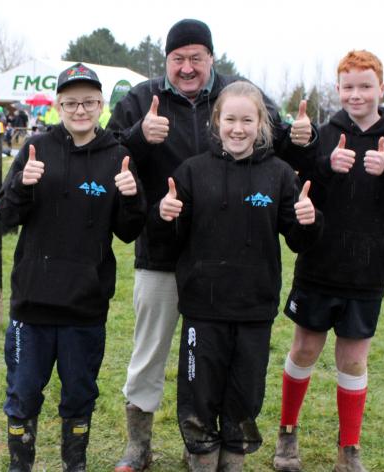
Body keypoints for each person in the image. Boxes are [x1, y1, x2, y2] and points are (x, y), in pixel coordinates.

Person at [107, 19, 315, 472]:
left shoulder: (240, 95)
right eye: (178, 59)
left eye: (195, 58)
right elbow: (110, 151)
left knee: (215, 360)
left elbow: (277, 146)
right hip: (161, 248)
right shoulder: (142, 98)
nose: (186, 67)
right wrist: (141, 137)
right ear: (166, 60)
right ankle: (138, 443)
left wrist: (306, 139)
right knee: (150, 352)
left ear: (211, 59)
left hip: (231, 267)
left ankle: (201, 443)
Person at [149, 81, 321, 471]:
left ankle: (233, 460)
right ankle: (202, 457)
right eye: (230, 119)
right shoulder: (192, 171)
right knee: (199, 391)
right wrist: (164, 216)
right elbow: (167, 238)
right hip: (202, 307)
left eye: (247, 120)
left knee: (245, 392)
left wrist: (309, 221)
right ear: (217, 120)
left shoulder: (278, 174)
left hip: (254, 308)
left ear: (261, 123)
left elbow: (298, 238)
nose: (238, 129)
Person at [273, 50, 384, 472]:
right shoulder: (326, 133)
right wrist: (325, 166)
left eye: (365, 86)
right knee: (304, 348)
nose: (356, 95)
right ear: (338, 89)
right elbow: (299, 187)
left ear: (382, 88)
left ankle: (349, 450)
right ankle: (287, 435)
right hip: (319, 265)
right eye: (348, 87)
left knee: (354, 359)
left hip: (368, 271)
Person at [0, 63, 146, 472]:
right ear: (58, 105)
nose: (80, 110)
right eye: (70, 102)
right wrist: (22, 185)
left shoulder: (118, 157)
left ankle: (73, 465)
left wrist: (132, 198)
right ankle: (19, 466)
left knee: (79, 395)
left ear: (101, 104)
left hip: (85, 306)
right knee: (23, 393)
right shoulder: (36, 149)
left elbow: (129, 232)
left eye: (88, 102)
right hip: (33, 303)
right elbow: (6, 216)